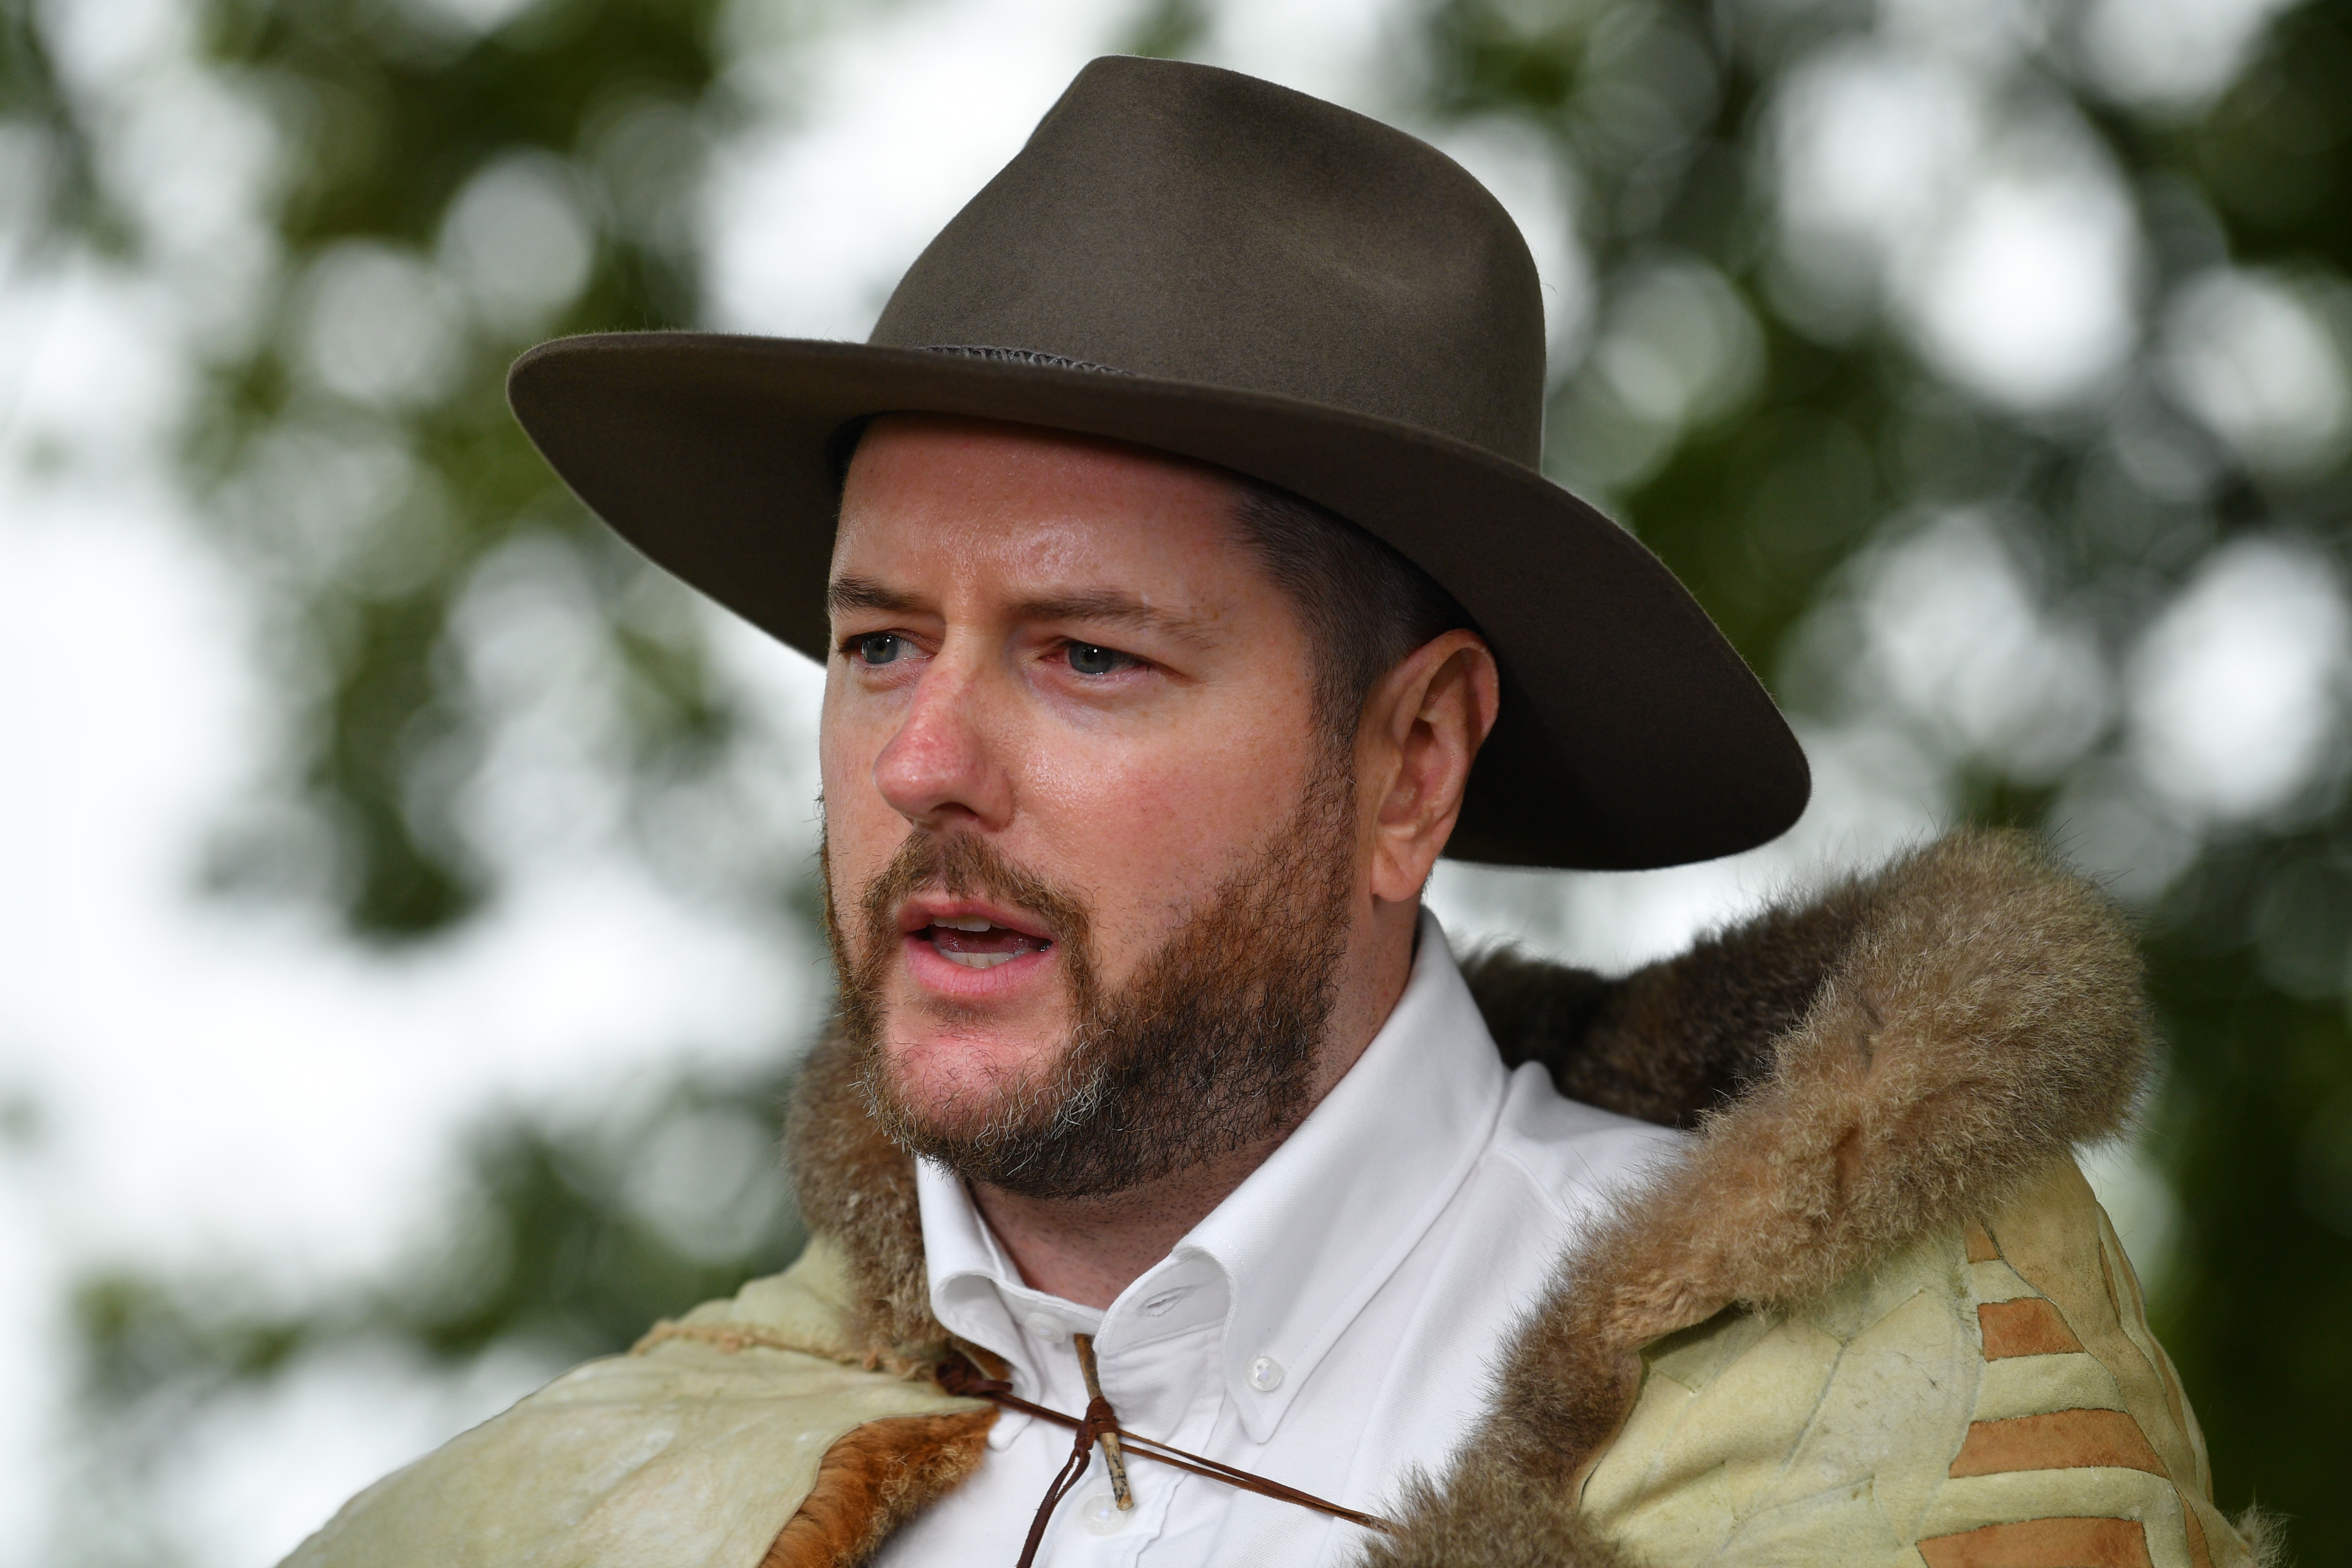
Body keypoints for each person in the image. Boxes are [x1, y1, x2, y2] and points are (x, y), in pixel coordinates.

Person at [285, 55, 2264, 1568]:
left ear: (1410, 765)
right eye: (879, 643)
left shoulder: (1883, 1424)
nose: (920, 764)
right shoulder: (592, 1498)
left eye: (1085, 658)